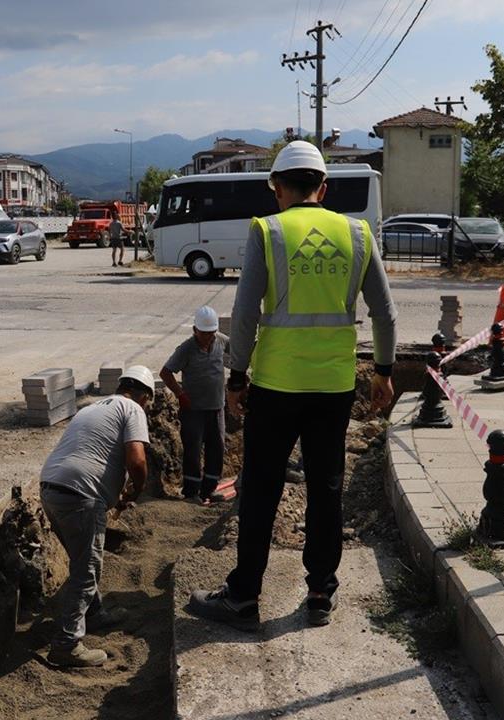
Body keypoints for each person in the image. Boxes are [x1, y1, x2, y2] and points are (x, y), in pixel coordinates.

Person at [188, 140, 397, 631]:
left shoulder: (269, 230)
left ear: (276, 187)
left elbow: (243, 314)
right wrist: (384, 372)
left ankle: (242, 598)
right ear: (323, 188)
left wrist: (237, 376)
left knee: (261, 490)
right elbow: (385, 312)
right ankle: (321, 592)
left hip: (277, 387)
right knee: (327, 488)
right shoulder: (358, 232)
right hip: (334, 385)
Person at [39, 365, 154, 667]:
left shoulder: (92, 408)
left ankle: (94, 613)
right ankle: (66, 644)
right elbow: (137, 458)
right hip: (80, 494)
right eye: (148, 402)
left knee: (82, 559)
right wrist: (136, 489)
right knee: (87, 568)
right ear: (143, 396)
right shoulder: (133, 409)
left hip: (51, 488)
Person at [161, 305, 228, 503]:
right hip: (194, 410)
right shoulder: (186, 349)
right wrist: (180, 394)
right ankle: (191, 492)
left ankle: (209, 490)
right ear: (195, 330)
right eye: (204, 333)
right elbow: (166, 372)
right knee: (193, 449)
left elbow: (240, 350)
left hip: (217, 407)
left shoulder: (221, 341)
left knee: (217, 447)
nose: (208, 337)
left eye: (211, 333)